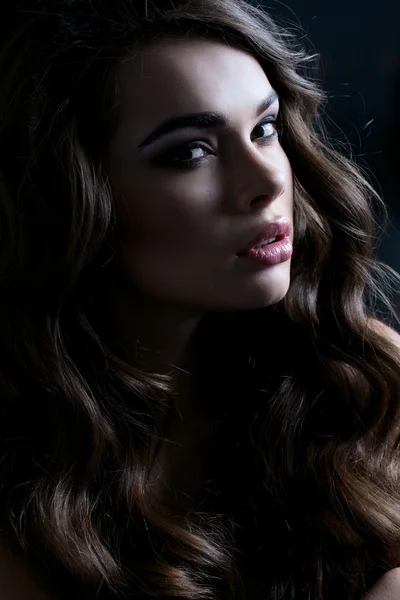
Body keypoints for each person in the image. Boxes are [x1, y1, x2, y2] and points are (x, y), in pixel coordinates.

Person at [0, 0, 400, 598]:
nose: (267, 180)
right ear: (72, 199)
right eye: (190, 151)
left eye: (265, 129)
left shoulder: (364, 376)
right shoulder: (24, 476)